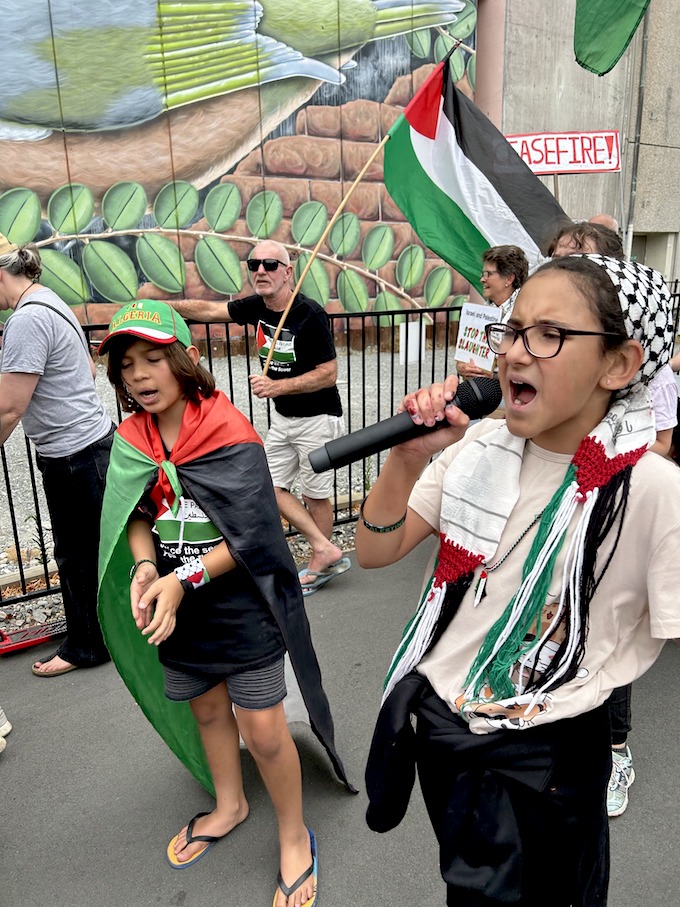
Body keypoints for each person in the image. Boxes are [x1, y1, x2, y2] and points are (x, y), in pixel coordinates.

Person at [357, 254, 680, 905]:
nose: (515, 351)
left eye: (549, 334)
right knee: (469, 890)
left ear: (619, 364)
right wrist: (406, 457)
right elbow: (374, 548)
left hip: (551, 750)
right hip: (446, 728)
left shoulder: (647, 489)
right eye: (512, 329)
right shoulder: (475, 450)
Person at [97, 300, 353, 905]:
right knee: (209, 713)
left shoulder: (227, 427)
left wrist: (179, 582)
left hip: (240, 606)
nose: (138, 375)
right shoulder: (131, 438)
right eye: (126, 364)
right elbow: (138, 517)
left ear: (184, 361)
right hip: (177, 613)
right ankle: (231, 803)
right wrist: (142, 568)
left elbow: (255, 536)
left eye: (153, 358)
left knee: (263, 730)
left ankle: (294, 834)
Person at [167, 240, 348, 597]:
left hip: (318, 419)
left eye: (269, 264)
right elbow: (208, 309)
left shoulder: (309, 314)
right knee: (269, 485)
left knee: (316, 495)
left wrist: (277, 387)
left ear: (288, 272)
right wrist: (162, 307)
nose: (261, 271)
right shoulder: (258, 307)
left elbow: (328, 373)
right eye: (254, 265)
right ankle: (325, 549)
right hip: (285, 420)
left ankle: (321, 558)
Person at [0, 235, 114, 677]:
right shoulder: (50, 301)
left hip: (72, 456)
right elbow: (86, 367)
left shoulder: (26, 321)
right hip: (94, 444)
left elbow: (10, 407)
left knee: (76, 555)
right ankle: (112, 631)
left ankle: (87, 646)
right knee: (97, 550)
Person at [456, 244, 529, 382]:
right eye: (483, 274)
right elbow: (464, 357)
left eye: (488, 274)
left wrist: (494, 376)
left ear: (508, 279)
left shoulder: (526, 313)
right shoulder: (481, 311)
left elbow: (527, 369)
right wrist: (461, 366)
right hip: (478, 390)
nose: (482, 279)